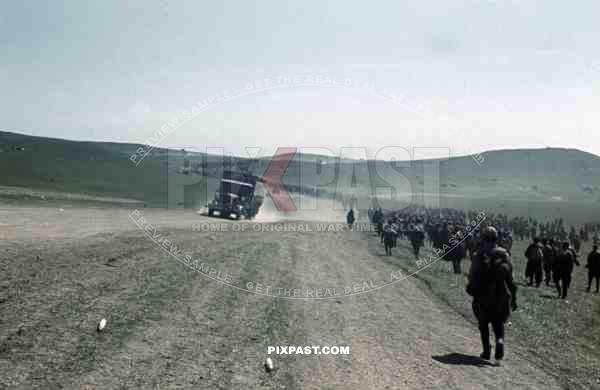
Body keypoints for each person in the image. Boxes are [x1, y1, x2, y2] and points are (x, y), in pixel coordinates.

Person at [466, 226, 518, 362]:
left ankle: (486, 350)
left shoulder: (479, 254)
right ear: (496, 238)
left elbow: (472, 275)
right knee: (498, 324)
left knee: (483, 324)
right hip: (501, 294)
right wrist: (513, 297)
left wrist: (472, 287)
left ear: (483, 238)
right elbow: (511, 278)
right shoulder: (504, 254)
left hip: (482, 295)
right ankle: (500, 342)